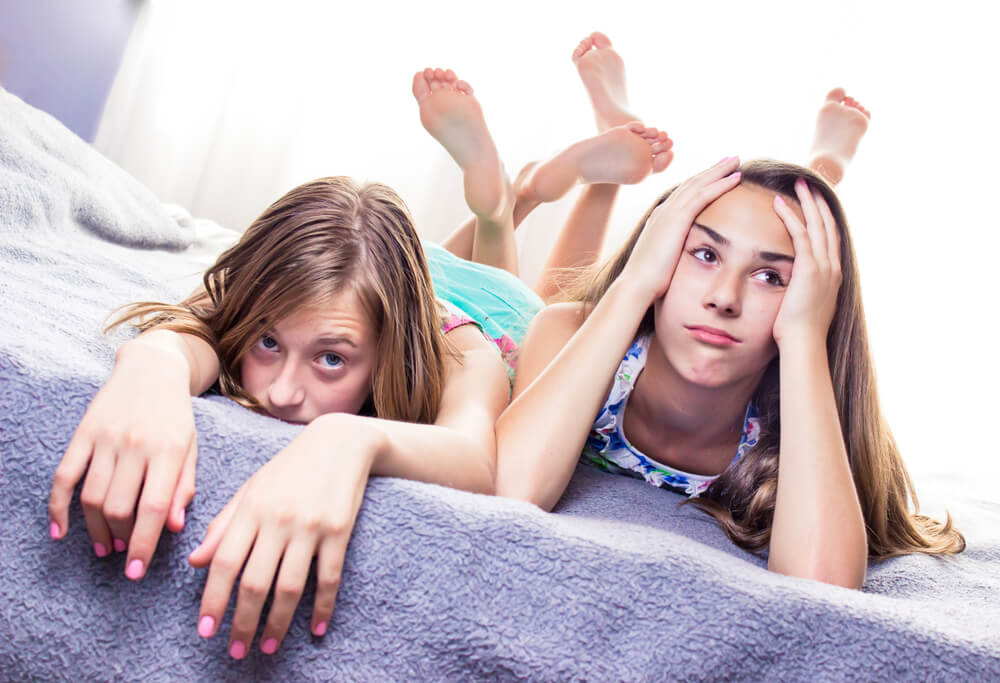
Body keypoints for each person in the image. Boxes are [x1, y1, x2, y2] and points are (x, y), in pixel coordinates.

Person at [46, 42, 672, 658]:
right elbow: (192, 328)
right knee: (441, 266)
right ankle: (510, 198)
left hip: (500, 315)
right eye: (268, 342)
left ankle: (538, 194)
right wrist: (151, 366)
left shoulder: (461, 354)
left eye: (330, 361)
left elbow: (476, 459)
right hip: (419, 273)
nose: (281, 393)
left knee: (553, 301)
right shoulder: (323, 292)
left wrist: (351, 436)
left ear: (388, 347)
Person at [493, 153, 966, 590]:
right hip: (497, 310)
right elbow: (509, 491)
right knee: (519, 285)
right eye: (705, 254)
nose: (723, 298)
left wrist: (804, 336)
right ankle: (553, 191)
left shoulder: (805, 412)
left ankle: (826, 163)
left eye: (771, 277)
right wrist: (635, 282)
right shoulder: (568, 328)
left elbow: (823, 588)